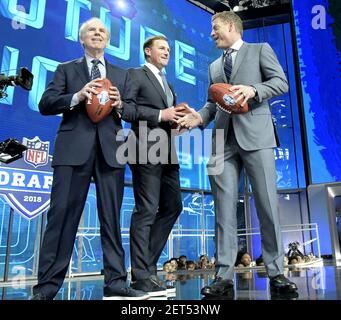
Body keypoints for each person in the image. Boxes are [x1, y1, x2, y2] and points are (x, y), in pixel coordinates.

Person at [178, 11, 298, 297]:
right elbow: (212, 103)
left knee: (267, 205)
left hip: (257, 137)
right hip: (223, 142)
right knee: (223, 209)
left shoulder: (259, 51)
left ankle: (276, 271)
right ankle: (223, 275)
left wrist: (252, 90)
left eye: (215, 28)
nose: (211, 34)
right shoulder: (213, 66)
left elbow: (281, 82)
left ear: (231, 26)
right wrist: (199, 118)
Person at [31, 17, 148, 300]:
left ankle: (116, 283)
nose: (98, 33)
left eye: (102, 31)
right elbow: (45, 103)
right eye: (92, 31)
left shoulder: (123, 75)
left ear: (107, 40)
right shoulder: (66, 69)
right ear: (82, 39)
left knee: (111, 219)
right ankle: (47, 287)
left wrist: (121, 105)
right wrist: (76, 96)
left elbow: (133, 111)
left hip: (111, 152)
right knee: (61, 218)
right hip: (72, 151)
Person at [127, 35, 184, 296]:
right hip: (143, 147)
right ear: (148, 52)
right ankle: (141, 275)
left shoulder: (168, 84)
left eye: (169, 48)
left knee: (174, 206)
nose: (167, 51)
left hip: (167, 150)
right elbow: (125, 110)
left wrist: (177, 120)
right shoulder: (135, 74)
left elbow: (169, 116)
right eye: (162, 47)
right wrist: (161, 115)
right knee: (146, 210)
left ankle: (145, 268)